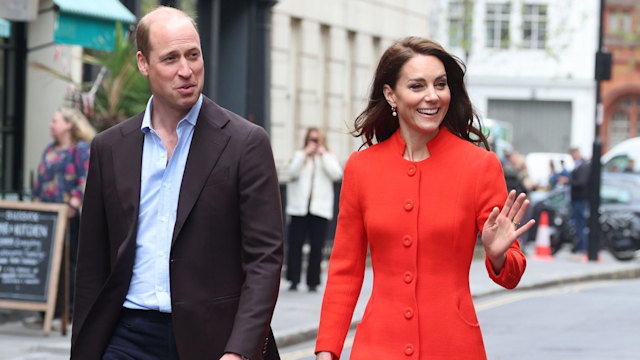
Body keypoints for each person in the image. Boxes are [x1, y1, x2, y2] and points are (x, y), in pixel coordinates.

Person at [71, 7, 283, 360]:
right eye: (170, 59)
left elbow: (265, 259)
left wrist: (240, 351)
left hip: (214, 339)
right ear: (143, 63)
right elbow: (92, 263)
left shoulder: (246, 143)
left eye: (193, 55)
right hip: (126, 336)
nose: (186, 70)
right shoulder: (110, 148)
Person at [314, 37, 534, 360]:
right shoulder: (361, 168)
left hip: (454, 348)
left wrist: (498, 256)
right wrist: (327, 350)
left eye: (440, 84)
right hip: (377, 348)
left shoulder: (479, 166)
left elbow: (512, 272)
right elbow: (345, 269)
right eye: (417, 86)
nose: (433, 96)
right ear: (391, 94)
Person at [31, 107, 95, 321]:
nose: (51, 124)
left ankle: (67, 309)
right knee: (45, 261)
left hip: (67, 216)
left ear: (69, 124)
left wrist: (74, 203)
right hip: (46, 216)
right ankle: (46, 309)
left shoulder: (81, 149)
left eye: (55, 120)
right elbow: (40, 180)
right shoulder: (50, 149)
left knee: (69, 263)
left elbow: (86, 177)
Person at [285, 127, 343, 292]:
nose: (314, 142)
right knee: (295, 244)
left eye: (317, 139)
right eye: (312, 139)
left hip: (319, 208)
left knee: (317, 246)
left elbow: (337, 174)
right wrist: (305, 153)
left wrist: (322, 155)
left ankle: (313, 281)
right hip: (299, 208)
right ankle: (293, 279)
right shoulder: (300, 155)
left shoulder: (328, 157)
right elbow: (292, 171)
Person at [569, 147, 590, 256]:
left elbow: (581, 182)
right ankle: (580, 247)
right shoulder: (579, 165)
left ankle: (582, 249)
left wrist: (569, 180)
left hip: (580, 199)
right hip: (577, 199)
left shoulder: (583, 166)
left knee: (581, 224)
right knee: (578, 224)